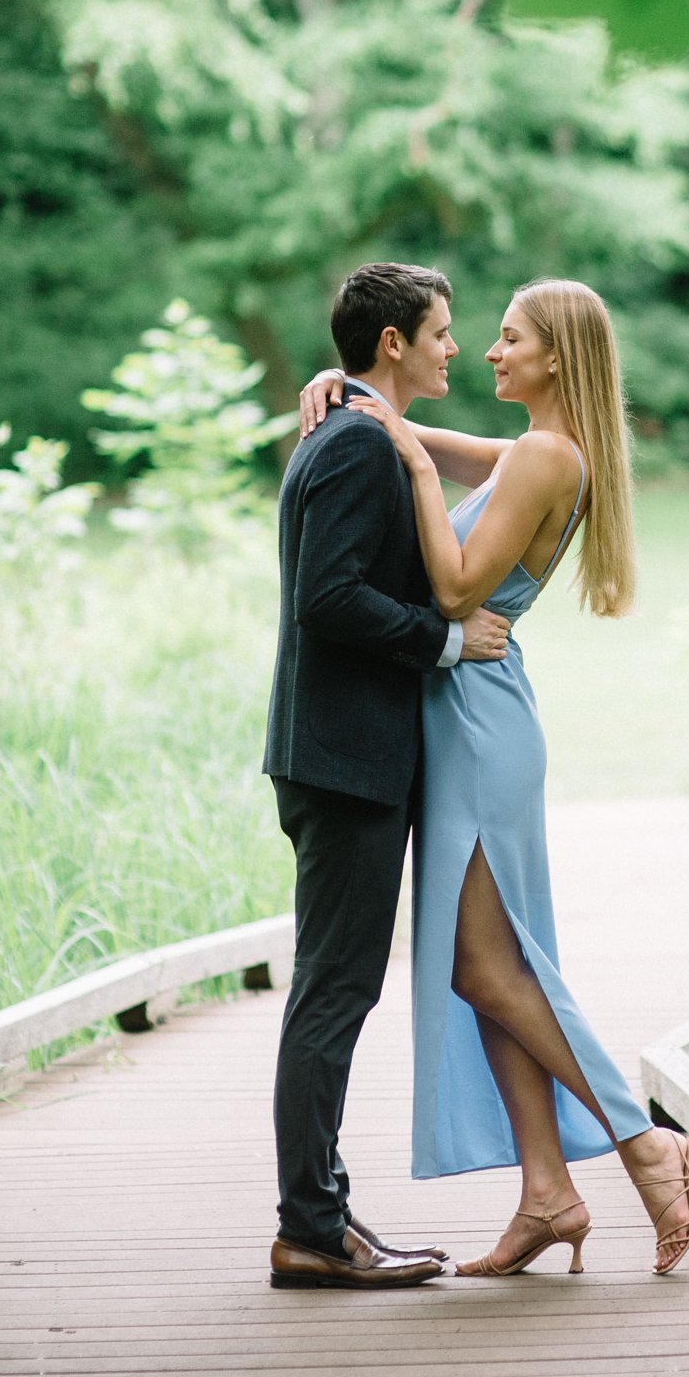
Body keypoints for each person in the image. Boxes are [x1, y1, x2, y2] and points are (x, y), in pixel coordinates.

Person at [297, 278, 689, 1278]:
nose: (490, 350)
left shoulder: (544, 456)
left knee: (487, 963)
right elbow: (444, 447)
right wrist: (356, 393)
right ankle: (546, 1192)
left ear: (559, 358)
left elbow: (451, 587)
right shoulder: (541, 452)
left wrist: (400, 456)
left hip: (479, 721)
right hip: (476, 716)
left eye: (510, 337)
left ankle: (641, 1143)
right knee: (490, 958)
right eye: (485, 337)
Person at [260, 262, 514, 1290]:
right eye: (442, 332)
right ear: (394, 342)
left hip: (341, 756)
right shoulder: (361, 442)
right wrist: (446, 639)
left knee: (338, 988)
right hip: (347, 761)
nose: (456, 346)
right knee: (333, 991)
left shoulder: (360, 426)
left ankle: (325, 1213)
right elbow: (329, 598)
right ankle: (311, 1229)